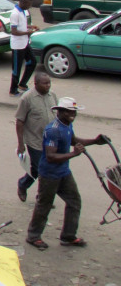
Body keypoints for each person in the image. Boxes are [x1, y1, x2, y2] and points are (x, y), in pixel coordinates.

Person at [26, 98, 109, 250]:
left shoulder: (67, 125)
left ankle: (68, 236)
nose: (73, 114)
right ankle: (33, 236)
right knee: (44, 205)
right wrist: (73, 154)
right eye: (69, 112)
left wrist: (95, 141)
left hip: (64, 172)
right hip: (50, 175)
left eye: (74, 112)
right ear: (60, 112)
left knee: (74, 202)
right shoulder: (53, 130)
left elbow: (73, 140)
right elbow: (51, 157)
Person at [15, 72, 57, 202]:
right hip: (35, 141)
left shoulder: (53, 96)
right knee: (41, 171)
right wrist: (21, 144)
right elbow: (20, 122)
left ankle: (23, 184)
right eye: (45, 83)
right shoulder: (27, 98)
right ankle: (42, 197)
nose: (48, 85)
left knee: (43, 170)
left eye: (49, 83)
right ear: (36, 83)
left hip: (51, 142)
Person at [9, 0, 37, 96]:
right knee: (16, 68)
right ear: (24, 3)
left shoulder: (23, 11)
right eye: (29, 5)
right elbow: (14, 31)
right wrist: (27, 32)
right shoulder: (15, 14)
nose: (29, 7)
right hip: (17, 45)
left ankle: (23, 84)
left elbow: (21, 25)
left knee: (32, 62)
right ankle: (13, 90)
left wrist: (29, 27)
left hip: (24, 43)